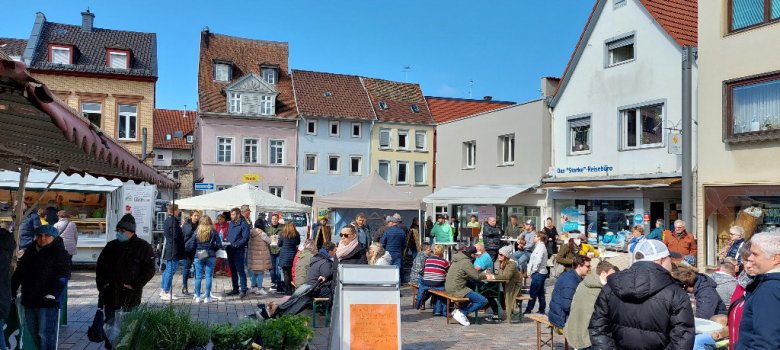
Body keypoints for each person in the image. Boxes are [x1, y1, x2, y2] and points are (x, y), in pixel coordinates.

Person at [588, 239, 693, 349]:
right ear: (660, 260)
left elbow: (598, 329)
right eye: (669, 259)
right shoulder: (675, 293)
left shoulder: (610, 287)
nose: (671, 263)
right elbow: (682, 339)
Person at [96, 214, 156, 344]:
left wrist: (136, 284)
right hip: (111, 294)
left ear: (131, 232)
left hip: (131, 295)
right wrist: (103, 285)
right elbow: (100, 267)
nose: (119, 233)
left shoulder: (143, 246)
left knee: (130, 328)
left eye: (122, 231)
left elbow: (150, 269)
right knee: (110, 326)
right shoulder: (111, 246)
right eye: (117, 231)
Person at [11, 225, 69, 350]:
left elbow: (62, 275)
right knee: (34, 332)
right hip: (30, 298)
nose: (42, 238)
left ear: (54, 237)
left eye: (47, 236)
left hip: (47, 301)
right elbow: (20, 272)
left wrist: (52, 294)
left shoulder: (59, 252)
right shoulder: (30, 251)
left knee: (45, 334)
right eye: (39, 236)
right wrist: (12, 289)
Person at [735, 232, 780, 349]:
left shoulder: (770, 289)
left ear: (775, 259)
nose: (750, 258)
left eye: (755, 254)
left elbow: (766, 342)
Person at [563, 260, 618, 350]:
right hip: (586, 337)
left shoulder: (583, 283)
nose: (614, 278)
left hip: (574, 330)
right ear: (603, 273)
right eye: (612, 275)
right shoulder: (601, 291)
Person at [445, 245, 491, 326]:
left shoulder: (457, 259)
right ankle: (462, 313)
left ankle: (459, 311)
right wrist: (485, 275)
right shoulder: (466, 262)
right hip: (457, 289)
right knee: (482, 301)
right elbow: (476, 276)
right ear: (472, 255)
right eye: (476, 255)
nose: (476, 257)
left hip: (449, 287)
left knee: (471, 292)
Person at [548, 255, 591, 329]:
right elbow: (567, 306)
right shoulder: (571, 281)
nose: (589, 269)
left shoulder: (572, 275)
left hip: (558, 314)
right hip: (561, 319)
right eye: (587, 266)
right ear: (579, 266)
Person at [186, 215, 222, 303]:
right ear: (209, 221)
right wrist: (213, 249)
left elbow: (191, 245)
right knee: (209, 276)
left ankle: (198, 296)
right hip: (210, 255)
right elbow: (219, 244)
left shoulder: (197, 231)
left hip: (199, 255)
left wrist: (195, 250)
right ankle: (207, 297)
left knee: (198, 277)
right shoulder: (213, 231)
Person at [728, 242, 753, 350]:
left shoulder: (765, 287)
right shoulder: (740, 282)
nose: (748, 265)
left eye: (752, 261)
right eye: (745, 260)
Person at [493, 245, 523, 322]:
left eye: (501, 254)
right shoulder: (501, 263)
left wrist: (493, 277)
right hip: (506, 284)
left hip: (514, 286)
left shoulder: (511, 264)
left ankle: (509, 315)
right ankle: (499, 312)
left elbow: (506, 276)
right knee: (492, 292)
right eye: (498, 254)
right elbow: (501, 275)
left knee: (506, 294)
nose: (498, 256)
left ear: (506, 255)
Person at [417, 244, 449, 315]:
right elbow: (448, 271)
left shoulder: (428, 259)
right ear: (442, 252)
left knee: (421, 281)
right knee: (442, 289)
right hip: (438, 283)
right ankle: (439, 310)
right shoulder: (445, 262)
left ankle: (419, 300)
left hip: (427, 282)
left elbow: (424, 270)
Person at [161, 204, 184, 300]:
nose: (179, 212)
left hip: (170, 247)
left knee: (168, 270)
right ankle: (165, 291)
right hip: (173, 249)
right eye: (178, 210)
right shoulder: (173, 222)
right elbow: (175, 235)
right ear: (174, 210)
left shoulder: (167, 220)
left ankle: (163, 290)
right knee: (171, 270)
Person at [226, 208, 250, 298]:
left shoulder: (244, 224)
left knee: (240, 270)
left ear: (238, 214)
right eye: (231, 214)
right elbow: (229, 234)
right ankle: (235, 289)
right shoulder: (231, 223)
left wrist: (237, 244)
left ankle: (243, 289)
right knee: (233, 271)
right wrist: (226, 241)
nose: (231, 216)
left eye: (233, 214)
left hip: (238, 250)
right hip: (230, 249)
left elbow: (245, 238)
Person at [525, 232, 549, 315]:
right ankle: (542, 309)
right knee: (540, 292)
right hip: (539, 272)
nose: (534, 237)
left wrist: (532, 271)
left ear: (539, 238)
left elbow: (538, 261)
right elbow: (532, 260)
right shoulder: (538, 246)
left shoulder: (541, 247)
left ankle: (528, 310)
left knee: (533, 292)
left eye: (535, 236)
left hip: (539, 273)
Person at [248, 219, 272, 295]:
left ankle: (252, 287)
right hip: (260, 256)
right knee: (261, 273)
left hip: (253, 256)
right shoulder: (262, 234)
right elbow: (269, 241)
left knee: (254, 272)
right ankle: (259, 288)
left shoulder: (251, 232)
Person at [180, 209, 201, 296]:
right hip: (188, 249)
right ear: (191, 216)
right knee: (186, 268)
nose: (196, 217)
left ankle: (197, 288)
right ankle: (184, 287)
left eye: (198, 215)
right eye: (195, 215)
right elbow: (188, 234)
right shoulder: (187, 225)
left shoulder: (199, 224)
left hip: (198, 249)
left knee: (198, 268)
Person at [278, 222, 301, 295]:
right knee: (292, 273)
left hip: (284, 256)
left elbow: (279, 244)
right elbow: (298, 243)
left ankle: (288, 291)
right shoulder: (296, 234)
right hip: (293, 256)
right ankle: (293, 288)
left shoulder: (283, 234)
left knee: (286, 274)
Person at [265, 213, 283, 292]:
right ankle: (273, 282)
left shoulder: (282, 227)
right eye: (273, 219)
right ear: (271, 220)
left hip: (279, 250)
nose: (274, 220)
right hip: (270, 250)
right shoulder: (267, 228)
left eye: (275, 219)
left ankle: (279, 283)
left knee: (278, 268)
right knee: (272, 268)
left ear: (278, 219)